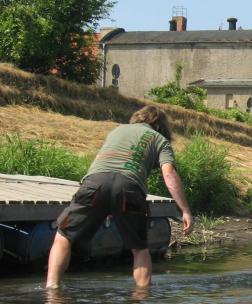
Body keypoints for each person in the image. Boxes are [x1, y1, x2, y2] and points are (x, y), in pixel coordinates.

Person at [45, 105, 193, 289]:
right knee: (139, 248)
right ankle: (141, 298)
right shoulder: (160, 140)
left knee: (64, 236)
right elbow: (169, 173)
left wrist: (105, 204)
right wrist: (185, 210)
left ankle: (52, 289)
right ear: (160, 125)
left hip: (95, 184)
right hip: (129, 189)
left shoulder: (117, 130)